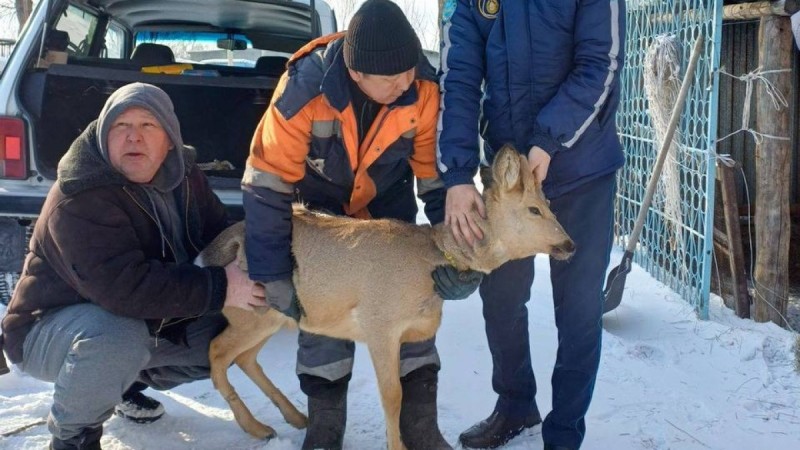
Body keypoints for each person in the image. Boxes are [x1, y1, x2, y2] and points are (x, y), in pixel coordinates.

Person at [242, 1, 481, 449]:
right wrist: (272, 272)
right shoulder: (303, 89)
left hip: (388, 213)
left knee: (415, 310)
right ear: (356, 73)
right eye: (390, 78)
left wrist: (457, 256)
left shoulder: (423, 89)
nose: (404, 84)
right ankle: (325, 425)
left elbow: (435, 183)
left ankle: (420, 426)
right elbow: (266, 184)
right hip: (320, 214)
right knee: (320, 319)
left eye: (409, 72)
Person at [0, 82, 265, 450]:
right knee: (118, 337)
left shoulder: (183, 176)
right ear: (103, 135)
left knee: (224, 338)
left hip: (127, 315)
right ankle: (73, 437)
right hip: (46, 329)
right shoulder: (80, 194)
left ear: (169, 140)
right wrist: (221, 286)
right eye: (120, 127)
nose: (133, 138)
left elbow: (217, 231)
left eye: (148, 126)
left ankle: (120, 385)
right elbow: (123, 289)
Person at [438, 1, 626, 449]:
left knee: (579, 311)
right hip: (509, 184)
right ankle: (516, 404)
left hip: (581, 171)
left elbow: (601, 62)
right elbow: (459, 76)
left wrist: (548, 140)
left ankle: (564, 435)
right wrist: (459, 174)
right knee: (501, 298)